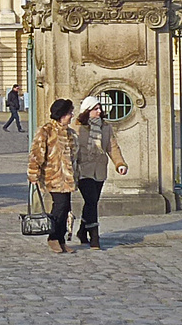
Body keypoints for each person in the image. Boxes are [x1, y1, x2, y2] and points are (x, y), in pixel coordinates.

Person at [71, 96, 128, 250]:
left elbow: (112, 147)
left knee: (92, 201)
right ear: (87, 111)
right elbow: (71, 149)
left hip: (100, 169)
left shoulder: (105, 127)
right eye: (95, 109)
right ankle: (94, 236)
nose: (99, 111)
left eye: (100, 108)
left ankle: (82, 231)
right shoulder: (77, 127)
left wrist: (119, 163)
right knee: (91, 201)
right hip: (84, 169)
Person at [26, 97, 78, 253]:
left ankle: (61, 239)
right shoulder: (46, 131)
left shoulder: (70, 133)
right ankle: (53, 237)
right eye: (69, 113)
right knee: (60, 206)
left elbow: (74, 157)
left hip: (67, 177)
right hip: (53, 176)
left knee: (66, 207)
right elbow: (36, 154)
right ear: (61, 114)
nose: (72, 115)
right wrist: (34, 174)